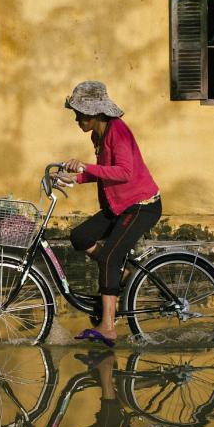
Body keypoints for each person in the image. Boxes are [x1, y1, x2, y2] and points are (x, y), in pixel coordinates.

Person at [63, 81, 161, 346]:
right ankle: (124, 275)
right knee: (80, 236)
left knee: (108, 258)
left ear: (95, 113)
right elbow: (105, 172)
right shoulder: (99, 135)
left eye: (80, 114)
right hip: (119, 206)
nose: (77, 119)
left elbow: (125, 172)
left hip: (142, 205)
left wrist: (85, 166)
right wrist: (75, 179)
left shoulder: (118, 131)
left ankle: (108, 327)